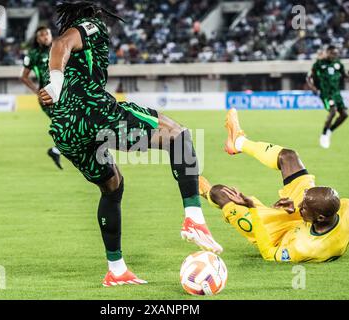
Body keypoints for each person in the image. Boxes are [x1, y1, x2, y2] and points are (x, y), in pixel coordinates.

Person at [38, 1, 222, 286]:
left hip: (64, 128)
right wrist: (55, 85)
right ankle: (194, 219)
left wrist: (53, 88)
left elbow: (59, 52)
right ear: (92, 11)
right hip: (94, 112)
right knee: (178, 134)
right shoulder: (93, 26)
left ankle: (117, 269)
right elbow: (60, 43)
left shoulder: (73, 48)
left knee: (112, 187)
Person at [199, 108, 349, 262]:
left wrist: (252, 208)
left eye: (303, 205)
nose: (299, 204)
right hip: (307, 219)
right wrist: (297, 209)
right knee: (288, 156)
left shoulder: (304, 247)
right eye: (304, 199)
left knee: (220, 193)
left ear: (321, 217)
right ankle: (238, 142)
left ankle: (202, 189)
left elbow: (268, 253)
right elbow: (315, 208)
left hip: (277, 234)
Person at [20, 26, 63, 169]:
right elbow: (24, 77)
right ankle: (57, 150)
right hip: (47, 97)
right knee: (65, 124)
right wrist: (37, 92)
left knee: (69, 125)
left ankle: (56, 150)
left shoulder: (59, 49)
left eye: (47, 34)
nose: (45, 37)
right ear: (38, 39)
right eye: (42, 35)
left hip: (62, 94)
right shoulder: (33, 54)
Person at [306, 45, 349, 149]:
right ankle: (324, 135)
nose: (335, 55)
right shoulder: (319, 64)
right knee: (333, 111)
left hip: (336, 93)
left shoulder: (338, 64)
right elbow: (308, 77)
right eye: (333, 53)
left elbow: (344, 73)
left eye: (336, 54)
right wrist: (313, 87)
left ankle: (330, 131)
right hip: (326, 93)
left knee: (345, 114)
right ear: (327, 52)